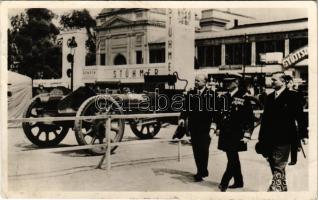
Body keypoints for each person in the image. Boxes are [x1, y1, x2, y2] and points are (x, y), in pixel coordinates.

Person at [257, 72, 308, 192]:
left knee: (279, 166)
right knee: (274, 166)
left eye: (274, 80)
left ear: (283, 81)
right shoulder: (269, 97)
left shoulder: (293, 96)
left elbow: (300, 117)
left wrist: (303, 135)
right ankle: (282, 190)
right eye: (271, 80)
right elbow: (265, 120)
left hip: (285, 138)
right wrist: (261, 138)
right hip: (269, 139)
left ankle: (274, 191)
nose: (271, 82)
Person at [215, 73, 254, 192]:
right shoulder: (224, 97)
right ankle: (239, 181)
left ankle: (224, 182)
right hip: (225, 133)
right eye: (225, 82)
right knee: (233, 157)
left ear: (236, 82)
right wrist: (217, 127)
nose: (226, 84)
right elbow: (220, 114)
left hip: (237, 133)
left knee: (232, 158)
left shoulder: (243, 96)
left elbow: (249, 118)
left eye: (229, 82)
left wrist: (247, 133)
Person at [179, 74, 216, 182]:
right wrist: (182, 118)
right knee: (196, 150)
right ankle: (201, 171)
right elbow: (185, 108)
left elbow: (216, 112)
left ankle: (202, 170)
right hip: (194, 127)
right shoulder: (191, 94)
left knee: (204, 150)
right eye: (195, 80)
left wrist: (213, 127)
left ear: (205, 82)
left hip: (206, 128)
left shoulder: (211, 95)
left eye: (198, 81)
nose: (196, 83)